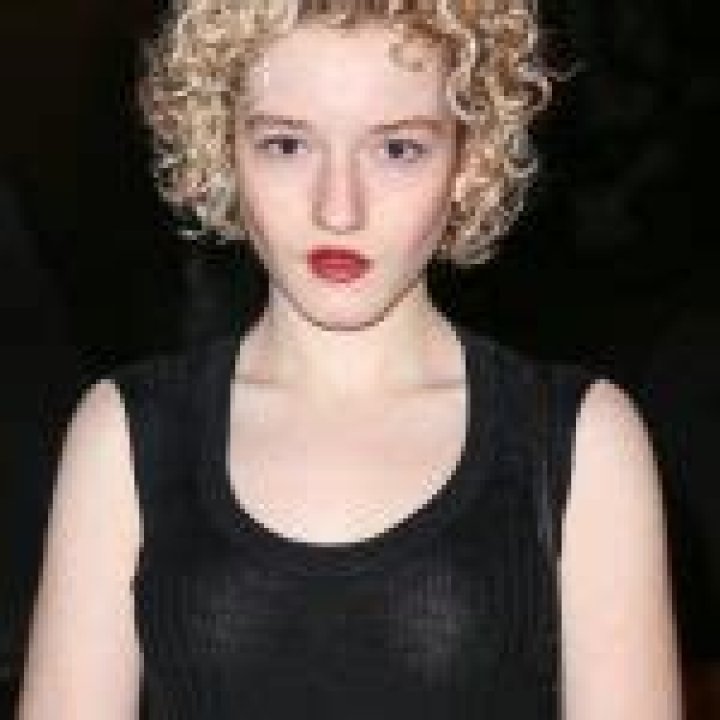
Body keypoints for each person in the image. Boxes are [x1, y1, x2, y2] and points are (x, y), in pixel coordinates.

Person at [16, 1, 683, 718]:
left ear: (471, 159)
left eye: (397, 149)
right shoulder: (124, 434)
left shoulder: (580, 442)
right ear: (220, 144)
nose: (339, 210)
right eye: (287, 145)